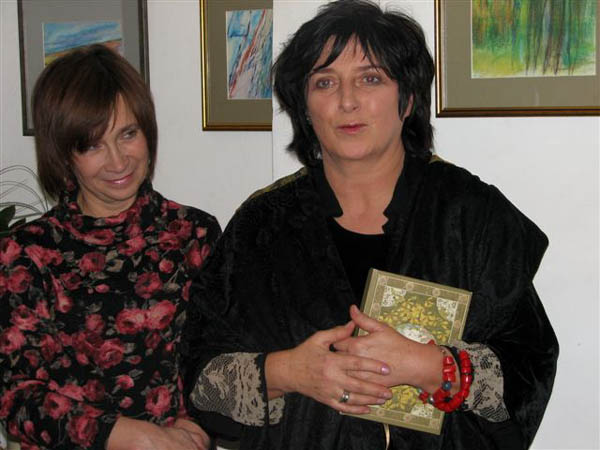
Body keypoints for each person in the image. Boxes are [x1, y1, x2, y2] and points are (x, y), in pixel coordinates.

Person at [182, 1, 558, 449]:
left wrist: (430, 367)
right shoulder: (262, 226)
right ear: (304, 107)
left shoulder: (471, 215)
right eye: (325, 82)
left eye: (370, 78)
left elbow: (528, 367)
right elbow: (201, 382)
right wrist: (288, 372)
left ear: (408, 99)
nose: (347, 101)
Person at [0, 45, 220, 450]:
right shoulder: (26, 252)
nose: (118, 161)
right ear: (63, 154)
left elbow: (218, 356)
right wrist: (132, 436)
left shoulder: (194, 233)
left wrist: (199, 423)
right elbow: (17, 398)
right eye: (92, 145)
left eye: (127, 134)